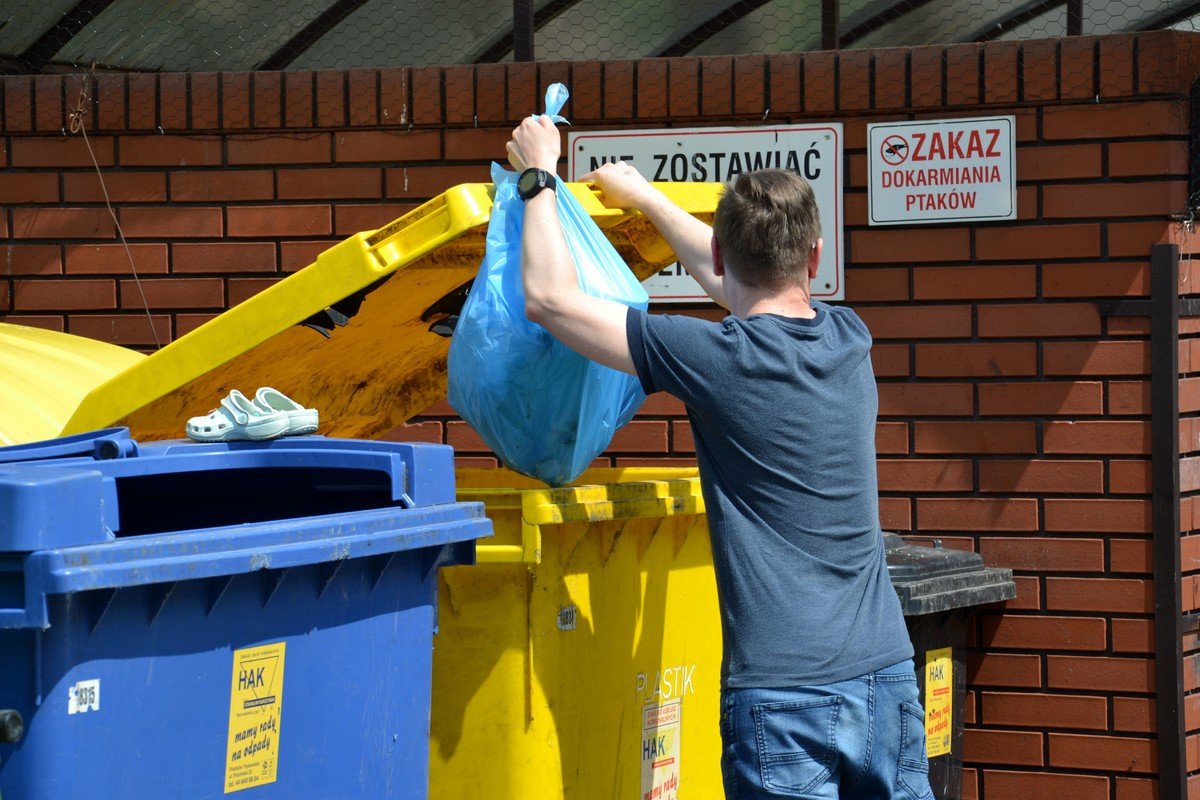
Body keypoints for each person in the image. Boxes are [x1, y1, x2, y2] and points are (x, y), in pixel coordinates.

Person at [507, 114, 935, 800]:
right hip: (884, 679)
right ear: (816, 258)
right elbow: (741, 286)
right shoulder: (852, 340)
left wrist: (539, 177)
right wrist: (645, 199)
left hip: (783, 696)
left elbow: (549, 300)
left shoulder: (718, 358)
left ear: (722, 255)